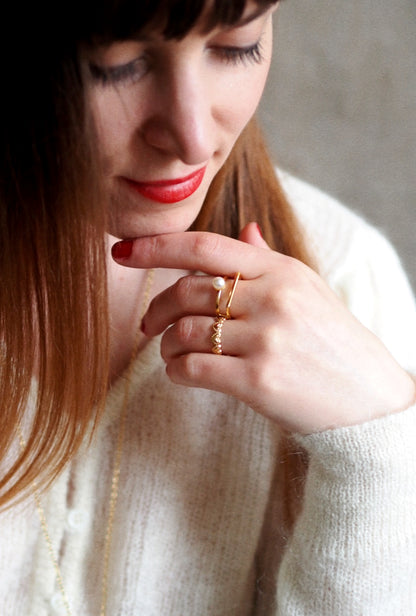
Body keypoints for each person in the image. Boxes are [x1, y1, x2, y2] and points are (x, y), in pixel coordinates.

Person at [1, 0, 416, 614]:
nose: (192, 135)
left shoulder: (347, 274)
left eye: (236, 45)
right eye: (118, 65)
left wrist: (378, 453)